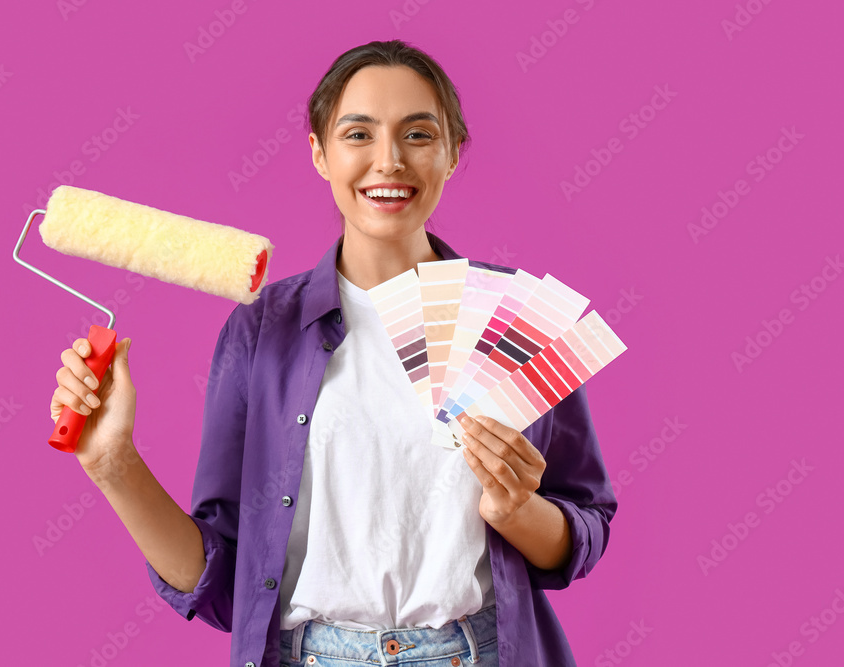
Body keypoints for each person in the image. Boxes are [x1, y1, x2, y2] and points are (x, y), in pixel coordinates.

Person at [50, 39, 617, 667]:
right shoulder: (261, 330)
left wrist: (517, 510)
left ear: (453, 154)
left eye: (419, 135)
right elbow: (222, 583)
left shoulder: (519, 318)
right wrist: (114, 464)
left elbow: (583, 530)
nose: (389, 161)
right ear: (320, 153)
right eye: (358, 134)